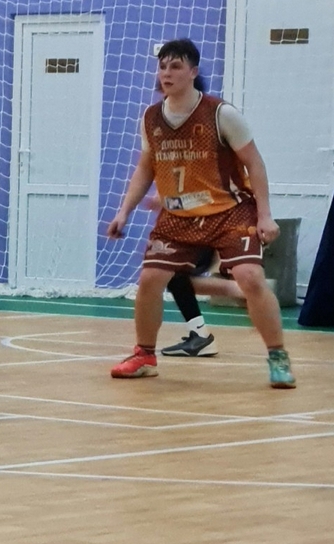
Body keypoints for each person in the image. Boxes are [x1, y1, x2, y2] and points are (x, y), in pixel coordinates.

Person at [105, 38, 295, 388]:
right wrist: (124, 211)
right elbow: (145, 168)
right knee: (150, 279)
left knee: (250, 278)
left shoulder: (221, 114)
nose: (166, 73)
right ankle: (144, 355)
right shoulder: (150, 117)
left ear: (193, 72)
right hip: (178, 217)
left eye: (175, 66)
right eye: (162, 66)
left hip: (229, 212)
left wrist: (265, 215)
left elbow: (254, 163)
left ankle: (278, 355)